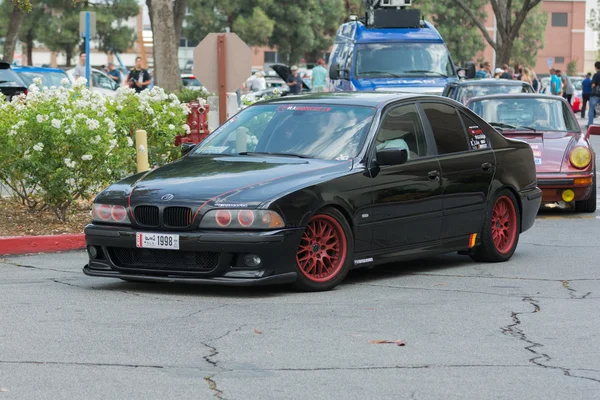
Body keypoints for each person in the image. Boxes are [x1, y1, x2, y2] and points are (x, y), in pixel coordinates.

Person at [587, 61, 600, 128]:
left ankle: (590, 124)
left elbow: (593, 85)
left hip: (596, 95)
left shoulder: (596, 75)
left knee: (591, 108)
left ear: (596, 67)